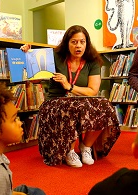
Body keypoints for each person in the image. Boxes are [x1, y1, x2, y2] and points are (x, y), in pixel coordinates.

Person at [21, 25, 121, 167]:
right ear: (67, 43)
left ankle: (86, 147)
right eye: (74, 42)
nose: (78, 46)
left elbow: (93, 90)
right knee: (71, 107)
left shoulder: (93, 61)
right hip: (55, 101)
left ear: (87, 43)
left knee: (105, 105)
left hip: (81, 100)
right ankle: (69, 151)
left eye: (82, 42)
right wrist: (27, 55)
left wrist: (70, 86)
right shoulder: (55, 57)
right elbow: (35, 77)